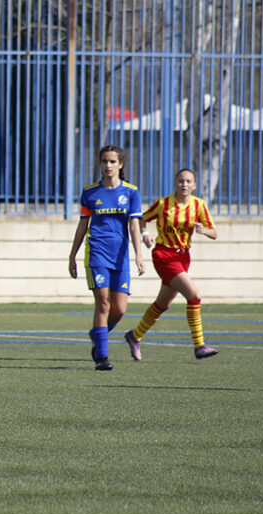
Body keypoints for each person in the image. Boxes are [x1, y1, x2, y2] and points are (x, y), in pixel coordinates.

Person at [124, 168, 219, 361]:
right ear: (175, 184)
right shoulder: (163, 204)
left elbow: (214, 232)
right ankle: (199, 345)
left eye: (188, 181)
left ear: (194, 185)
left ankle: (134, 336)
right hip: (164, 255)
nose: (184, 185)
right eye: (180, 181)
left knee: (163, 304)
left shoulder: (199, 205)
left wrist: (204, 230)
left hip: (183, 257)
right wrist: (144, 235)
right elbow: (140, 218)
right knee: (194, 295)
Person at [68, 145, 145, 370]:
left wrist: (139, 256)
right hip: (97, 254)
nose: (108, 166)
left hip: (120, 257)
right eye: (104, 161)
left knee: (119, 310)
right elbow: (83, 225)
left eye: (112, 162)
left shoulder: (131, 192)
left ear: (120, 164)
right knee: (103, 304)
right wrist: (72, 256)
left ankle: (97, 334)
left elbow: (134, 225)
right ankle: (101, 357)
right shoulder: (90, 192)